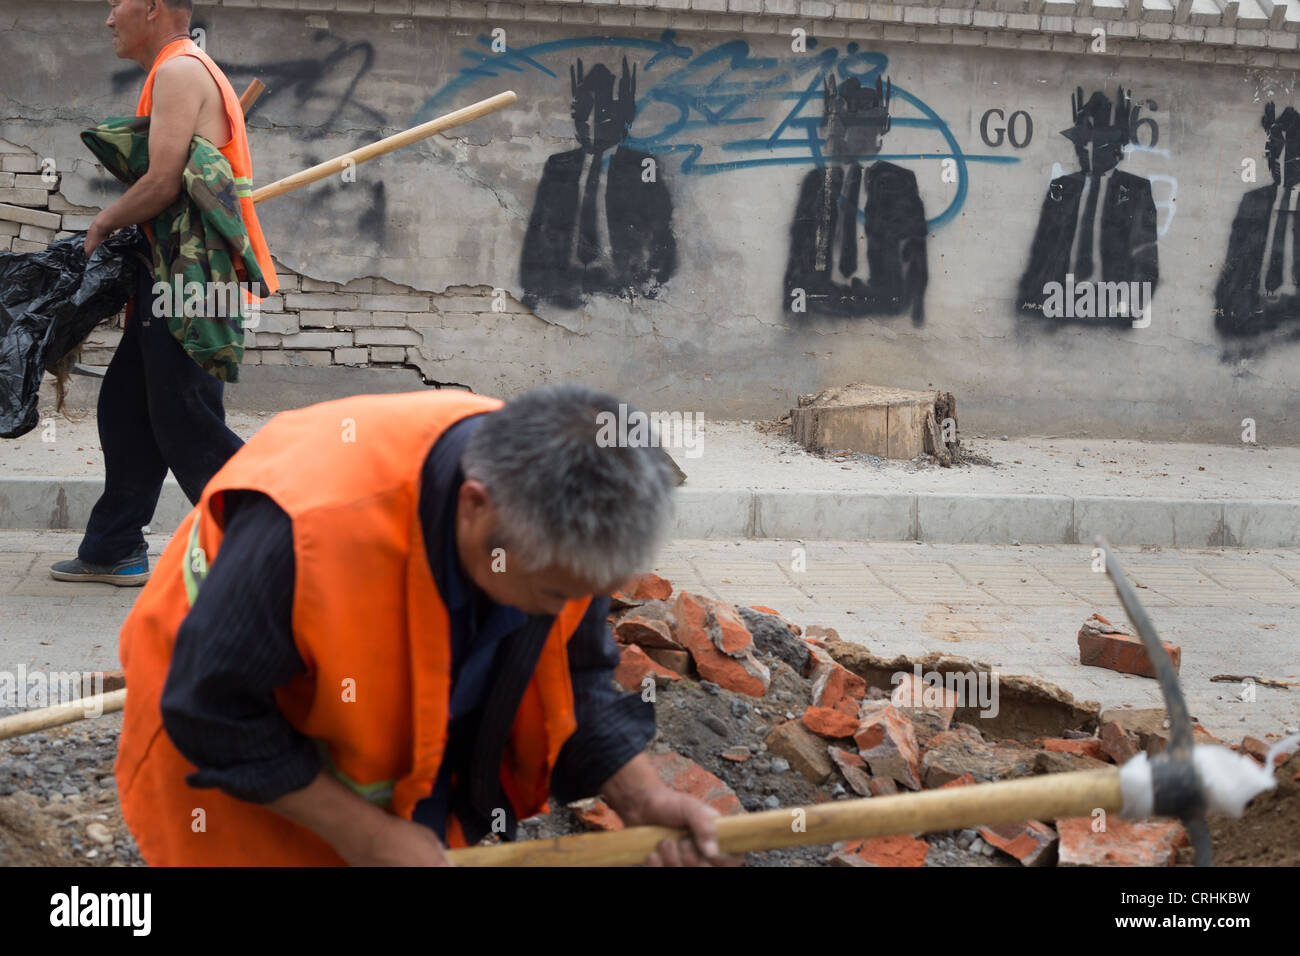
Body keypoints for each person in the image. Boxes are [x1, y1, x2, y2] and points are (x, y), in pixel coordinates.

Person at [115, 383, 739, 866]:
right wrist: (368, 835)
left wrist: (641, 796)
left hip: (403, 770)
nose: (563, 613)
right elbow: (210, 712)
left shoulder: (551, 523)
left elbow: (569, 675)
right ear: (474, 507)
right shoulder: (312, 528)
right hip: (237, 774)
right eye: (553, 593)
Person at [50, 0, 277, 586]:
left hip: (194, 281)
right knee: (127, 408)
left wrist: (101, 224)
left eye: (115, 4)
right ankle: (113, 547)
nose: (106, 18)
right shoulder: (178, 70)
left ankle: (280, 539)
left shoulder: (180, 70)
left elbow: (163, 179)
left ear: (151, 8)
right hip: (176, 274)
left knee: (186, 419)